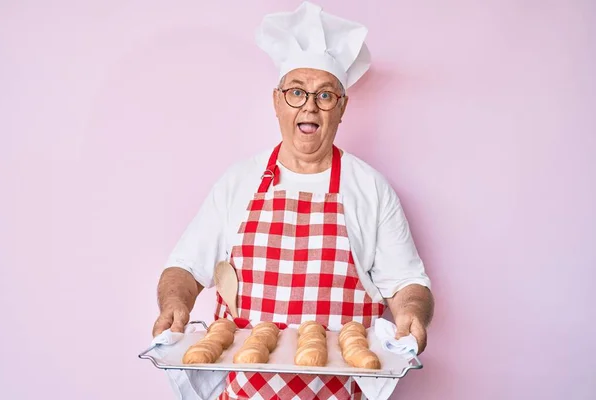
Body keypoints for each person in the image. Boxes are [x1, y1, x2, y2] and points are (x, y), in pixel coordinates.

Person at [152, 2, 434, 399]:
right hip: (244, 389)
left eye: (325, 96)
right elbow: (184, 267)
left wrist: (411, 315)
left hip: (338, 391)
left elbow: (406, 283)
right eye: (297, 92)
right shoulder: (238, 182)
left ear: (342, 108)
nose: (310, 106)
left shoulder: (370, 188)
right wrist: (174, 303)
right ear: (277, 101)